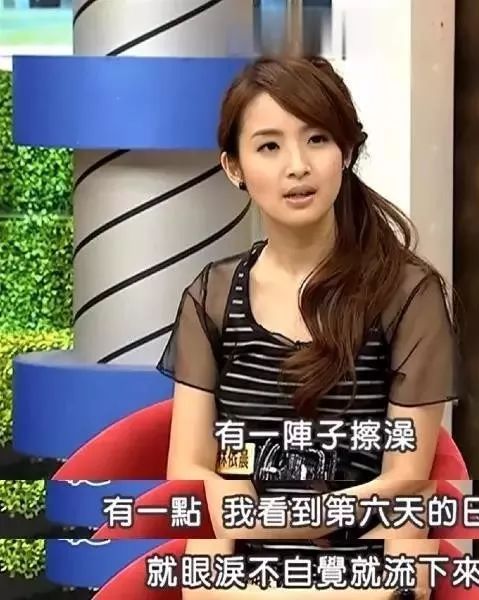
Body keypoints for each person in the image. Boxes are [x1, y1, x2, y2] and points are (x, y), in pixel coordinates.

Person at [157, 55, 462, 600]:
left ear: (346, 152)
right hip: (245, 575)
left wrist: (275, 520)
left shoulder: (406, 293)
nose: (297, 166)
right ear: (234, 167)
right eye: (269, 146)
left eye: (317, 139)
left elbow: (406, 478)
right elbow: (190, 469)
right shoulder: (212, 297)